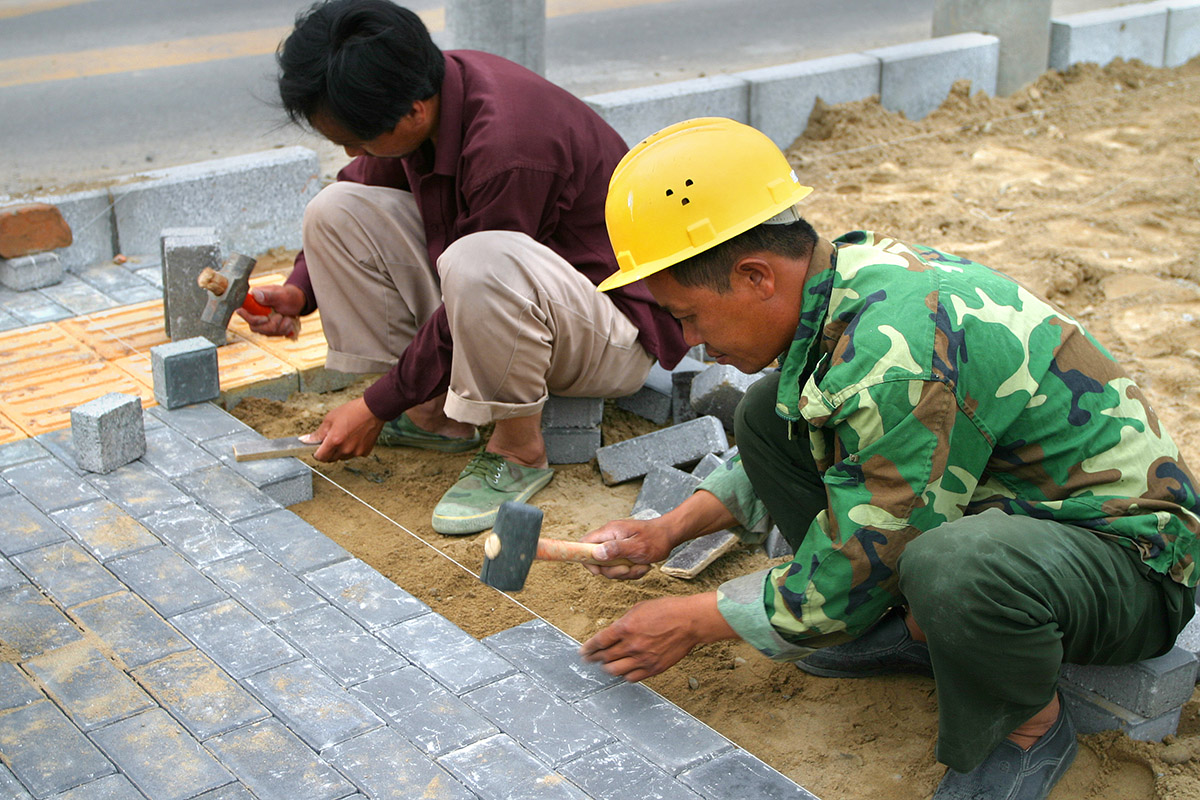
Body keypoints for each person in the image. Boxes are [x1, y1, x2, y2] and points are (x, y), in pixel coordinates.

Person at [578, 117, 1200, 800]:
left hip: (1130, 561)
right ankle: (904, 630)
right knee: (764, 415)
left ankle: (1028, 729)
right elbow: (833, 451)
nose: (691, 343)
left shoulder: (891, 354)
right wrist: (666, 530)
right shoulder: (845, 283)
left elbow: (866, 550)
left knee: (949, 565)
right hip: (1011, 511)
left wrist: (695, 620)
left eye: (690, 315)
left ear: (756, 275)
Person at [241, 0, 687, 534]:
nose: (352, 149)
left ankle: (518, 448)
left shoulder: (509, 146)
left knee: (480, 260)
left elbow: (481, 281)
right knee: (335, 209)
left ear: (413, 112)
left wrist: (375, 405)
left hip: (611, 332)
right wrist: (298, 292)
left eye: (358, 139)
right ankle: (435, 413)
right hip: (525, 302)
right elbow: (362, 185)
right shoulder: (421, 86)